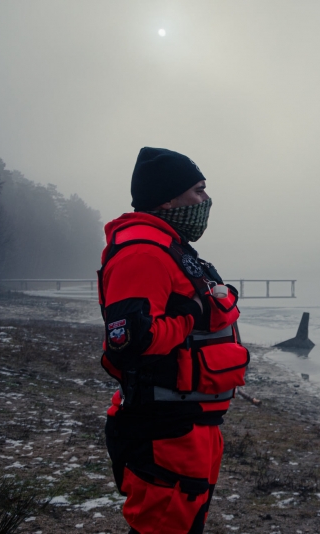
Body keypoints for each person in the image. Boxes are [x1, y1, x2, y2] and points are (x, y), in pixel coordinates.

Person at [98, 147, 249, 534]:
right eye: (198, 190)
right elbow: (129, 341)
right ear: (167, 198)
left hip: (190, 427)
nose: (206, 200)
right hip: (162, 430)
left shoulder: (173, 249)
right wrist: (192, 313)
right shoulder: (142, 252)